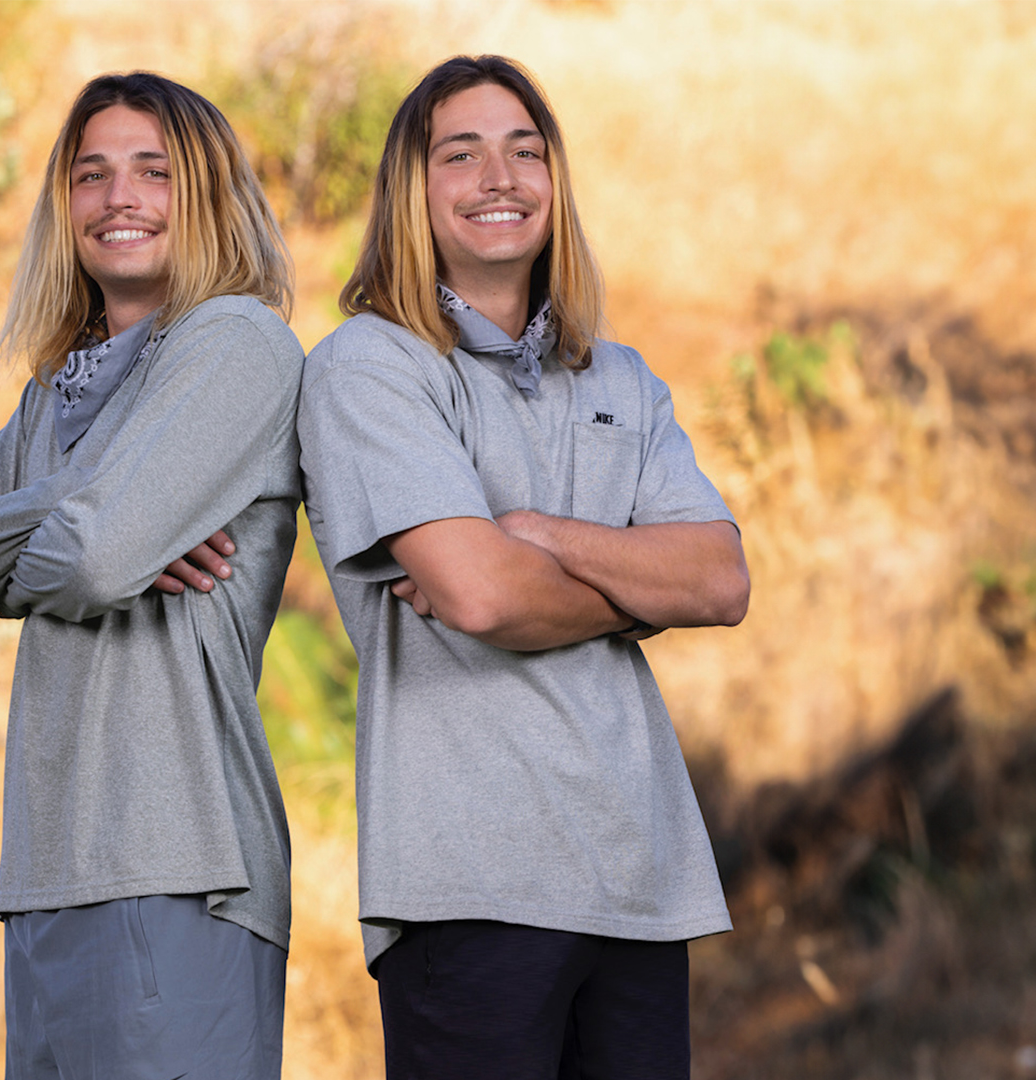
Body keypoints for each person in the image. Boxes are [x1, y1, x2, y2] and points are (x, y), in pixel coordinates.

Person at [296, 55, 751, 1079]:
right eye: (461, 154)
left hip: (641, 876)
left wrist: (540, 532)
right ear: (414, 194)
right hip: (471, 884)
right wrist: (638, 582)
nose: (499, 177)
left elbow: (721, 582)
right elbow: (479, 592)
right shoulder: (371, 367)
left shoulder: (620, 377)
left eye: (525, 151)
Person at [0, 72, 303, 1079]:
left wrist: (73, 534)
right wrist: (98, 498)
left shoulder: (236, 341)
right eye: (91, 175)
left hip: (180, 864)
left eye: (153, 171)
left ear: (204, 193)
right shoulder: (58, 393)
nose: (118, 197)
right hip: (47, 871)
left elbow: (96, 557)